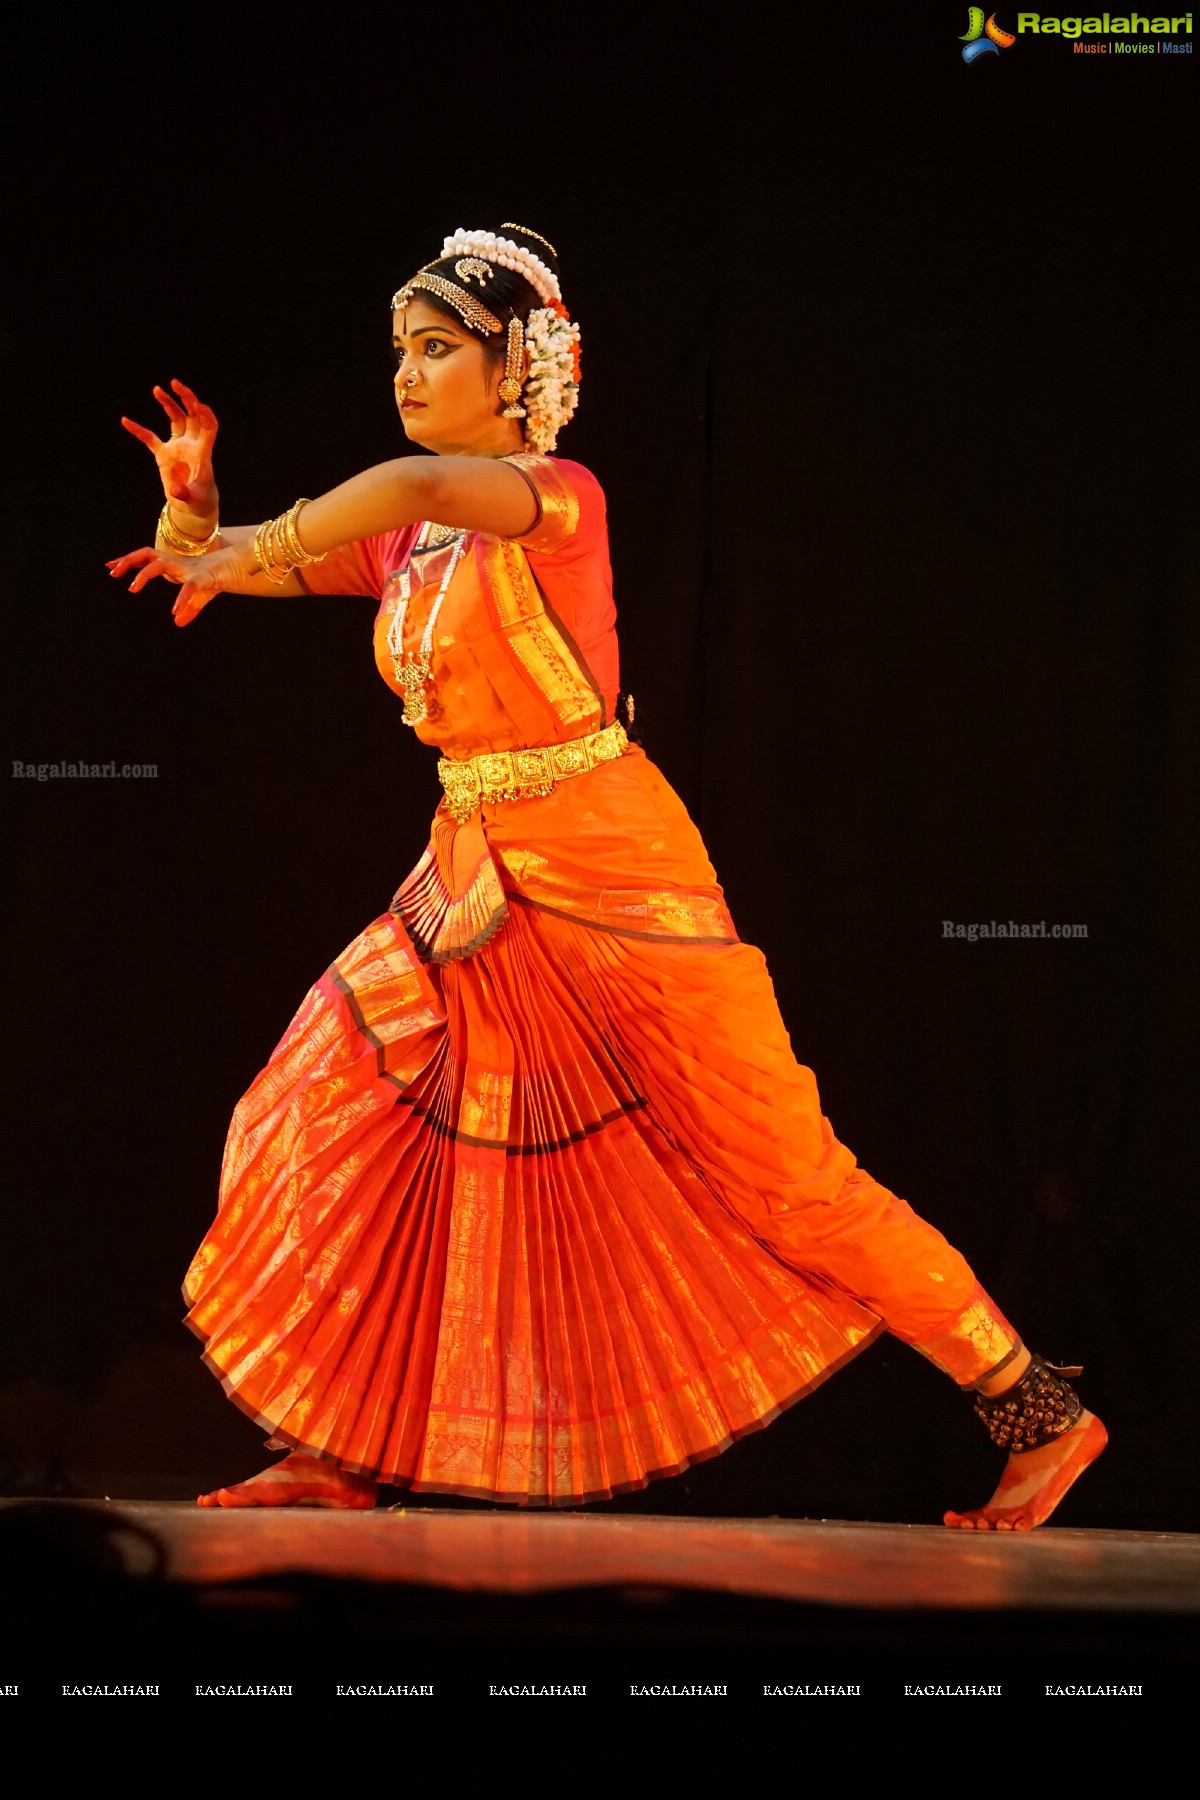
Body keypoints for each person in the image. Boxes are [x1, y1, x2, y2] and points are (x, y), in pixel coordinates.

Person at [109, 223, 1107, 1529]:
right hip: (471, 880)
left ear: (514, 365)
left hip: (616, 873)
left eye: (438, 349)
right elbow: (212, 566)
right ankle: (340, 1448)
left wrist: (262, 535)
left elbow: (411, 486)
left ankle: (1035, 1406)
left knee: (786, 1176)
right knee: (351, 1124)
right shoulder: (413, 547)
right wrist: (196, 508)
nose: (408, 373)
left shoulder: (556, 500)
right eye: (399, 351)